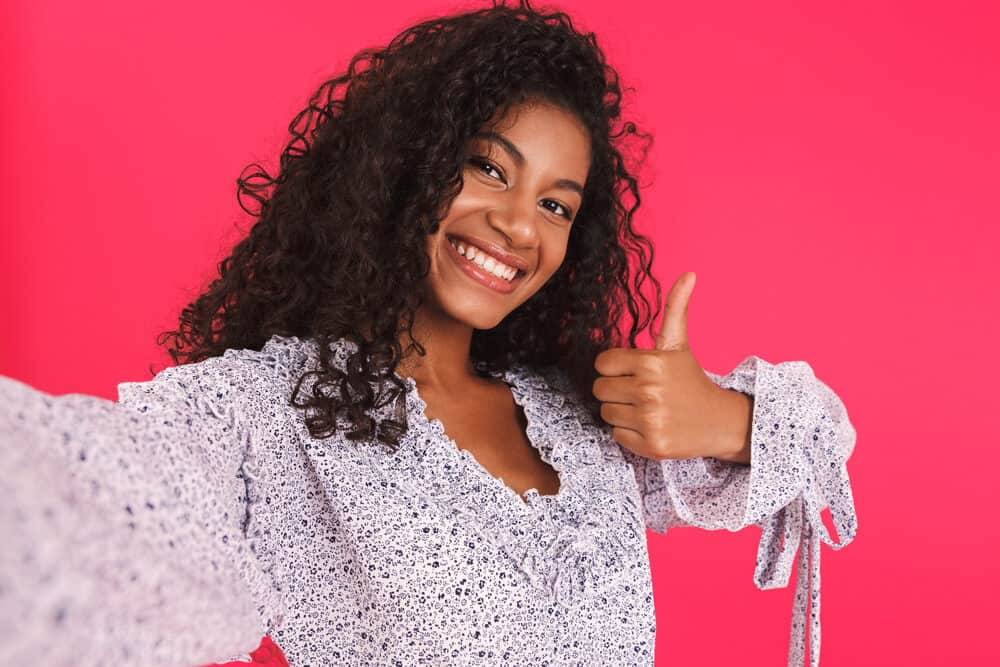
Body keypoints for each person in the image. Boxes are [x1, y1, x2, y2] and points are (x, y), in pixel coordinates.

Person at [0, 1, 858, 665]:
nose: (520, 226)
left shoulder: (580, 418)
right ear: (409, 163)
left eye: (556, 204)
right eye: (488, 167)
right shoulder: (267, 414)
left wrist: (724, 417)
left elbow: (822, 441)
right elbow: (81, 489)